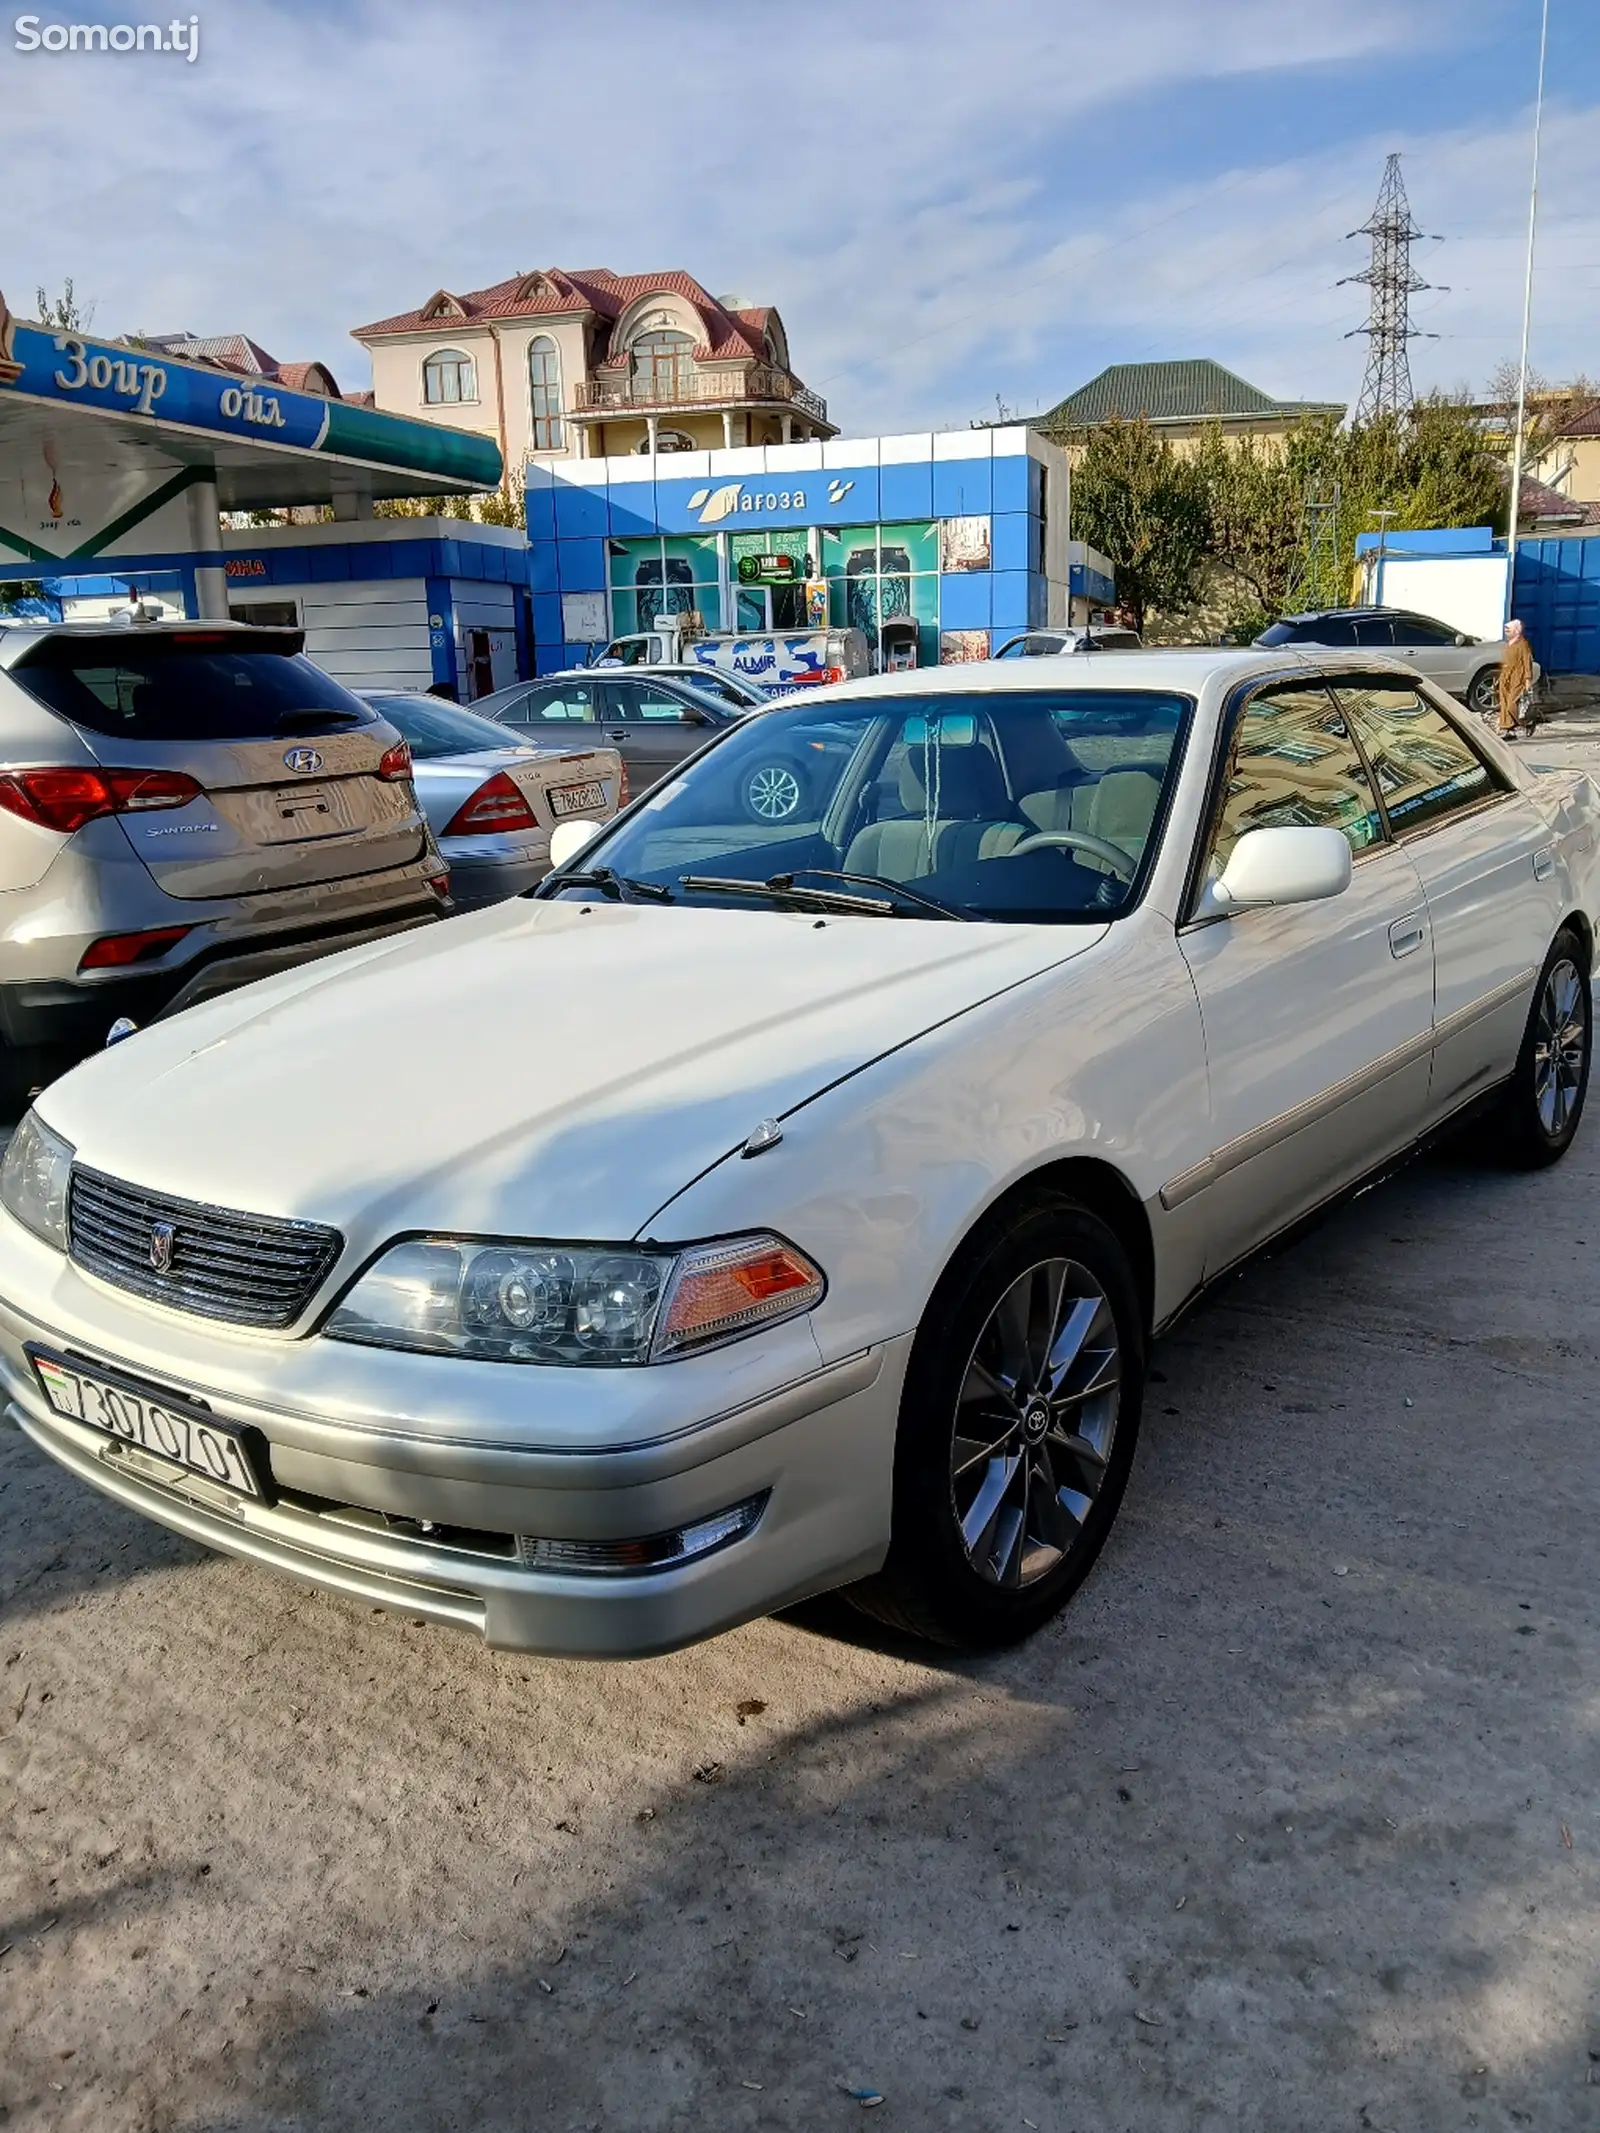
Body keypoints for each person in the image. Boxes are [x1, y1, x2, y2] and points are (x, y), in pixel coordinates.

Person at [1497, 619, 1535, 739]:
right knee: (1504, 704)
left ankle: (1527, 723)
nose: (1506, 631)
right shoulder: (1509, 644)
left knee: (1512, 704)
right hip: (1506, 677)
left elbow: (1527, 662)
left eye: (1509, 629)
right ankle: (1508, 731)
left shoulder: (1523, 644)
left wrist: (1528, 679)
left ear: (1517, 631)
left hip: (1518, 677)